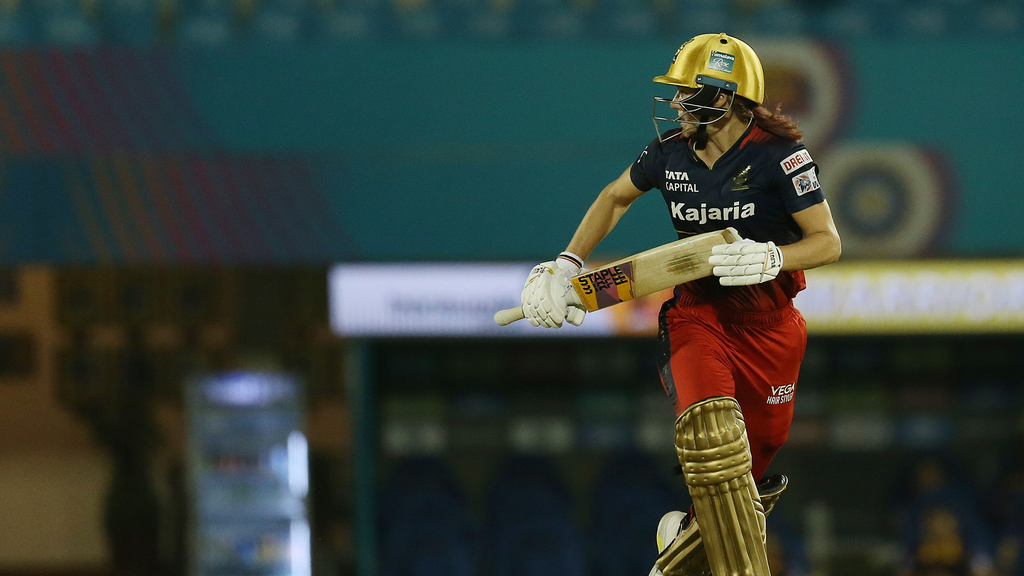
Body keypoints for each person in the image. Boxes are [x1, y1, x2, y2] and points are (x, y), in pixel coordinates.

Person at [517, 33, 841, 576]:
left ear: (724, 96)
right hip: (699, 316)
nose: (675, 104)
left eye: (687, 93)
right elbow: (614, 197)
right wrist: (569, 264)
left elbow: (828, 242)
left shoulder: (780, 156)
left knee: (758, 451)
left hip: (772, 326)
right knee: (712, 432)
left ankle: (688, 533)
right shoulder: (669, 152)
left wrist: (773, 258)